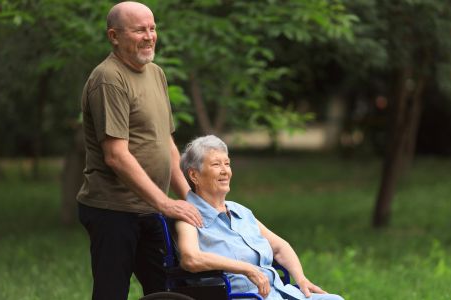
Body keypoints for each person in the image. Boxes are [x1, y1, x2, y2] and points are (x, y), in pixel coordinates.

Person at [76, 2, 203, 299]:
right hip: (113, 210)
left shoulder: (155, 73)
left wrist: (191, 199)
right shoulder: (109, 79)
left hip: (150, 208)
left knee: (167, 288)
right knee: (112, 292)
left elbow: (167, 144)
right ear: (114, 36)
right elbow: (116, 155)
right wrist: (165, 203)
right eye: (139, 30)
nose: (149, 36)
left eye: (152, 28)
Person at [176, 135, 344, 300]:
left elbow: (279, 247)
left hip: (277, 292)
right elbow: (191, 258)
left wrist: (301, 280)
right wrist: (246, 269)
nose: (225, 171)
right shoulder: (189, 215)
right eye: (216, 164)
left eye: (227, 164)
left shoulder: (240, 211)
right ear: (194, 176)